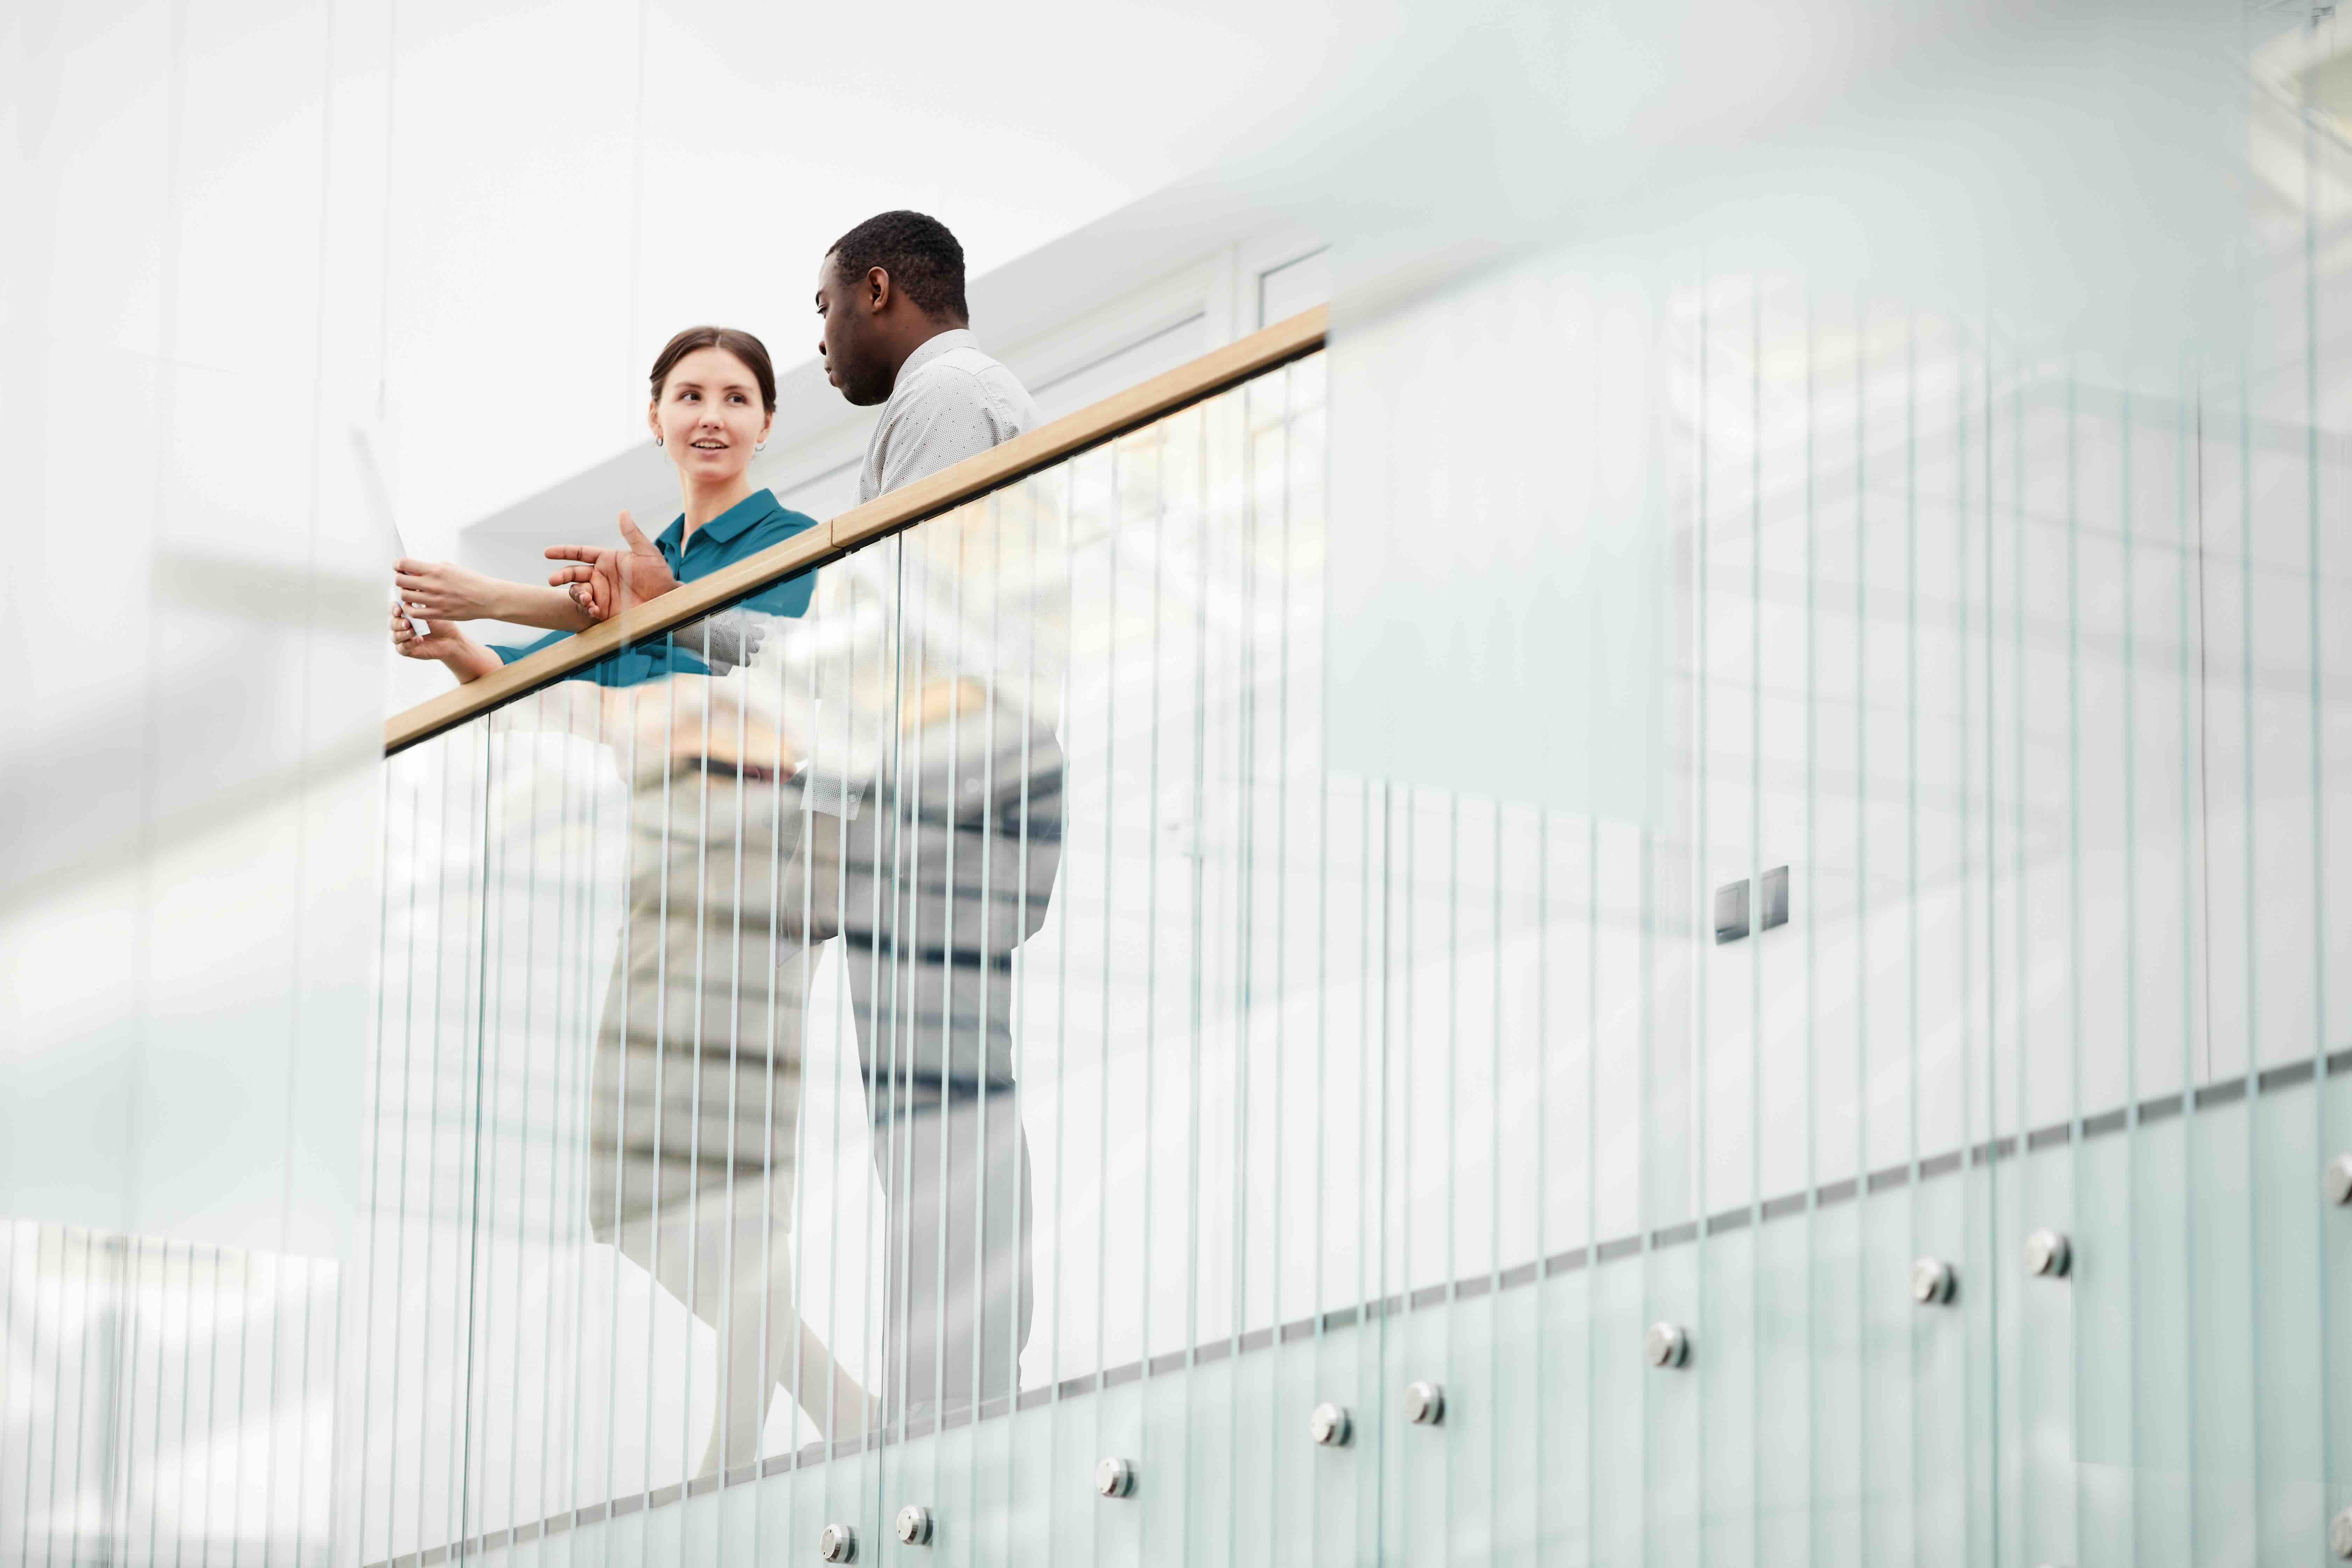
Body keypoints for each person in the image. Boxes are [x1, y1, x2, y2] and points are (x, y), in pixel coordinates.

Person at [390, 324, 866, 1476]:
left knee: (739, 1169)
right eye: (689, 394)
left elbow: (778, 695)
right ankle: (841, 1409)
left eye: (737, 397)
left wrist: (558, 605)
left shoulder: (794, 547)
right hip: (662, 875)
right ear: (653, 416)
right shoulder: (633, 566)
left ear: (766, 424)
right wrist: (462, 647)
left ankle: (738, 1448)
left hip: (756, 860)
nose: (712, 414)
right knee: (625, 1189)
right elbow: (565, 700)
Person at [797, 210, 1062, 1427]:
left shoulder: (947, 398)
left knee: (939, 1106)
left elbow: (898, 629)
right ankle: (954, 1385)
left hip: (946, 782)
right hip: (951, 780)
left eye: (827, 310)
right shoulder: (953, 400)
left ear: (880, 288)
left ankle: (951, 1397)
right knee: (941, 1099)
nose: (825, 342)